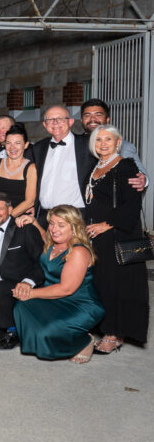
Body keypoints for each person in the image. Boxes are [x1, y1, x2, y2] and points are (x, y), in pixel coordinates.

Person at [82, 124, 148, 354]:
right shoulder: (95, 166)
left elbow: (132, 204)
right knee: (102, 282)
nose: (103, 144)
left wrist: (105, 225)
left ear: (118, 143)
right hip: (97, 235)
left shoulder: (126, 166)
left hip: (117, 233)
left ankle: (114, 334)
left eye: (108, 139)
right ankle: (104, 327)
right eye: (98, 140)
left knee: (117, 285)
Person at [13, 206, 105, 363]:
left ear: (74, 228)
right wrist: (34, 222)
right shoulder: (52, 243)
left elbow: (66, 289)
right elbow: (45, 235)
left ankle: (84, 341)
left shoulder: (78, 251)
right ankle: (46, 336)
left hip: (80, 304)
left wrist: (30, 293)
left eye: (61, 225)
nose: (54, 229)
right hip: (54, 298)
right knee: (21, 307)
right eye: (52, 223)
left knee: (45, 333)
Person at [0, 191, 44, 348]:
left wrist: (28, 282)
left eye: (0, 209)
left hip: (17, 287)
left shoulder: (24, 229)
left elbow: (42, 261)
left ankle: (13, 331)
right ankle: (12, 323)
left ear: (10, 209)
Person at [33, 104, 94, 223]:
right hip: (44, 216)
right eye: (50, 120)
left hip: (75, 215)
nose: (55, 123)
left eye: (60, 119)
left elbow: (109, 163)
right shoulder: (39, 147)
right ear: (45, 125)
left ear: (70, 122)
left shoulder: (87, 144)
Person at [80, 98, 148, 178]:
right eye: (87, 115)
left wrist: (142, 180)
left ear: (107, 119)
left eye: (98, 115)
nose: (92, 119)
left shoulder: (123, 146)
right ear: (81, 120)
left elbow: (141, 176)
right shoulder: (74, 143)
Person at [0, 124, 36, 218]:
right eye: (8, 143)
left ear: (26, 145)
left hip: (18, 219)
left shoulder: (31, 168)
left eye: (17, 143)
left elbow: (29, 201)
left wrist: (7, 220)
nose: (12, 147)